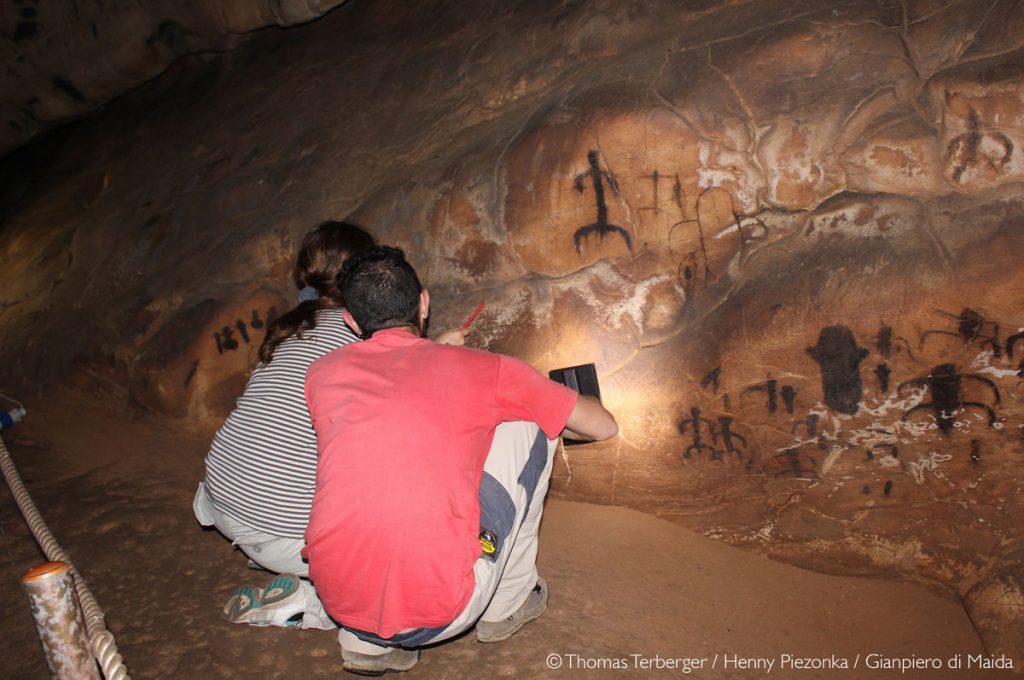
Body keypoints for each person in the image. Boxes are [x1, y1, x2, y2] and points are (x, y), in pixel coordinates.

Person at [304, 246, 618, 674]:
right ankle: (507, 605)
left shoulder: (323, 375)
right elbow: (602, 427)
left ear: (352, 321)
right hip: (442, 611)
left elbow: (397, 385)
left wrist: (437, 351)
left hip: (340, 599)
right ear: (424, 303)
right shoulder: (485, 370)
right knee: (534, 426)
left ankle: (366, 644)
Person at [192, 220, 374, 629]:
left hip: (221, 499)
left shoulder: (292, 329)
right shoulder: (360, 345)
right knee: (386, 562)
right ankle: (311, 603)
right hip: (278, 529)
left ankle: (276, 557)